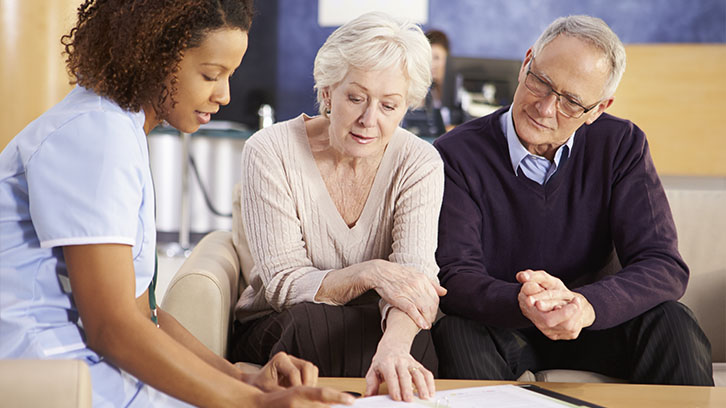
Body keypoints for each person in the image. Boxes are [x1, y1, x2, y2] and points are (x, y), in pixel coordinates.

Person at [0, 1, 354, 407]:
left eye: (229, 76)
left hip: (78, 367)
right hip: (51, 374)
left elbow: (141, 312)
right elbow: (112, 328)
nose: (224, 95)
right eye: (210, 75)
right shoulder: (95, 135)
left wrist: (242, 378)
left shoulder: (115, 127)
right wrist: (251, 404)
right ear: (153, 56)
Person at [432, 15, 714, 386]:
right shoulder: (456, 153)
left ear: (598, 108)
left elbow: (662, 264)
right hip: (501, 324)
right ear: (526, 63)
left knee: (673, 322)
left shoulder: (621, 145)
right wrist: (525, 301)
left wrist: (585, 306)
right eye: (542, 82)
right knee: (455, 331)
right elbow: (455, 274)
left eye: (571, 102)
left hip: (595, 323)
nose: (546, 108)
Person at [229, 11, 447, 402]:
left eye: (389, 106)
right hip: (285, 322)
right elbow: (282, 286)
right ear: (328, 93)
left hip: (377, 325)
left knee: (413, 346)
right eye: (356, 98)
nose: (369, 120)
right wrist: (372, 273)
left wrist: (395, 347)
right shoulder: (270, 150)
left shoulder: (420, 162)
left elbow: (416, 280)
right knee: (311, 324)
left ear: (406, 107)